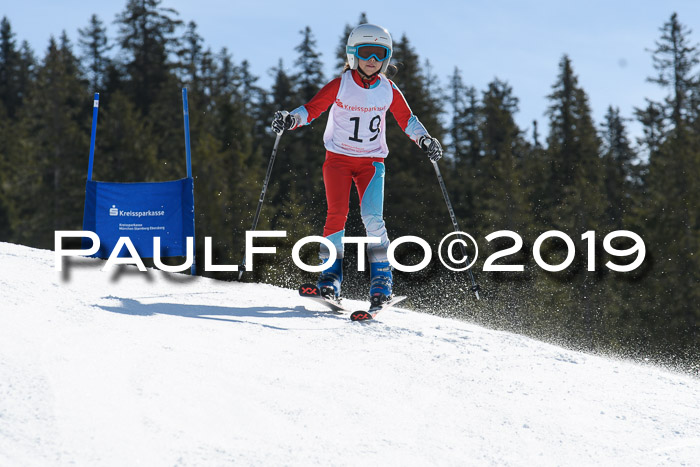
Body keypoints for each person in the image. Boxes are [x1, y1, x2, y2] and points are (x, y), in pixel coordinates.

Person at [272, 23, 443, 308]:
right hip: (337, 160)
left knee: (372, 218)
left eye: (379, 54)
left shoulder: (388, 88)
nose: (373, 60)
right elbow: (312, 109)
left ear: (386, 58)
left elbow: (407, 120)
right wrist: (290, 119)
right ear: (353, 54)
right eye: (366, 53)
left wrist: (425, 140)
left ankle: (382, 281)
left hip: (372, 163)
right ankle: (330, 279)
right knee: (336, 214)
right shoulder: (341, 84)